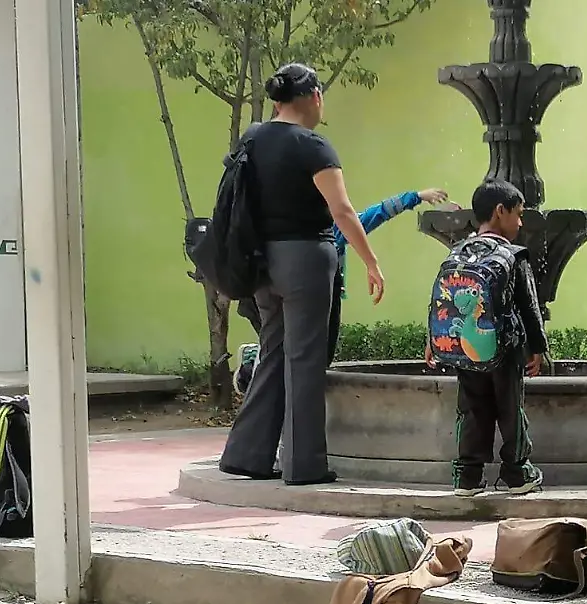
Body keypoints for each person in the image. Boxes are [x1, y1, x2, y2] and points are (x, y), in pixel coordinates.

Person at [218, 63, 385, 486]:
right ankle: (304, 465)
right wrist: (370, 261)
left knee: (273, 351)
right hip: (305, 261)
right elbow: (342, 211)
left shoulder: (252, 139)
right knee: (306, 360)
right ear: (313, 97)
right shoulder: (314, 146)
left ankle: (248, 455)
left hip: (260, 263)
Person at [233, 188, 451, 395]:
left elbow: (376, 213)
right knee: (287, 354)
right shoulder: (288, 230)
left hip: (311, 300)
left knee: (310, 359)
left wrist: (417, 196)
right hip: (277, 298)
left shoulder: (333, 228)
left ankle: (260, 362)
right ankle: (257, 360)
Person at [424, 180, 548, 497]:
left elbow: (442, 300)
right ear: (500, 211)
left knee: (471, 408)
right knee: (510, 408)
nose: (520, 223)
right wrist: (537, 348)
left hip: (465, 351)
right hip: (504, 349)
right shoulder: (513, 255)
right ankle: (517, 473)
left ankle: (467, 476)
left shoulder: (458, 252)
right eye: (518, 214)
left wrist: (434, 340)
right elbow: (529, 306)